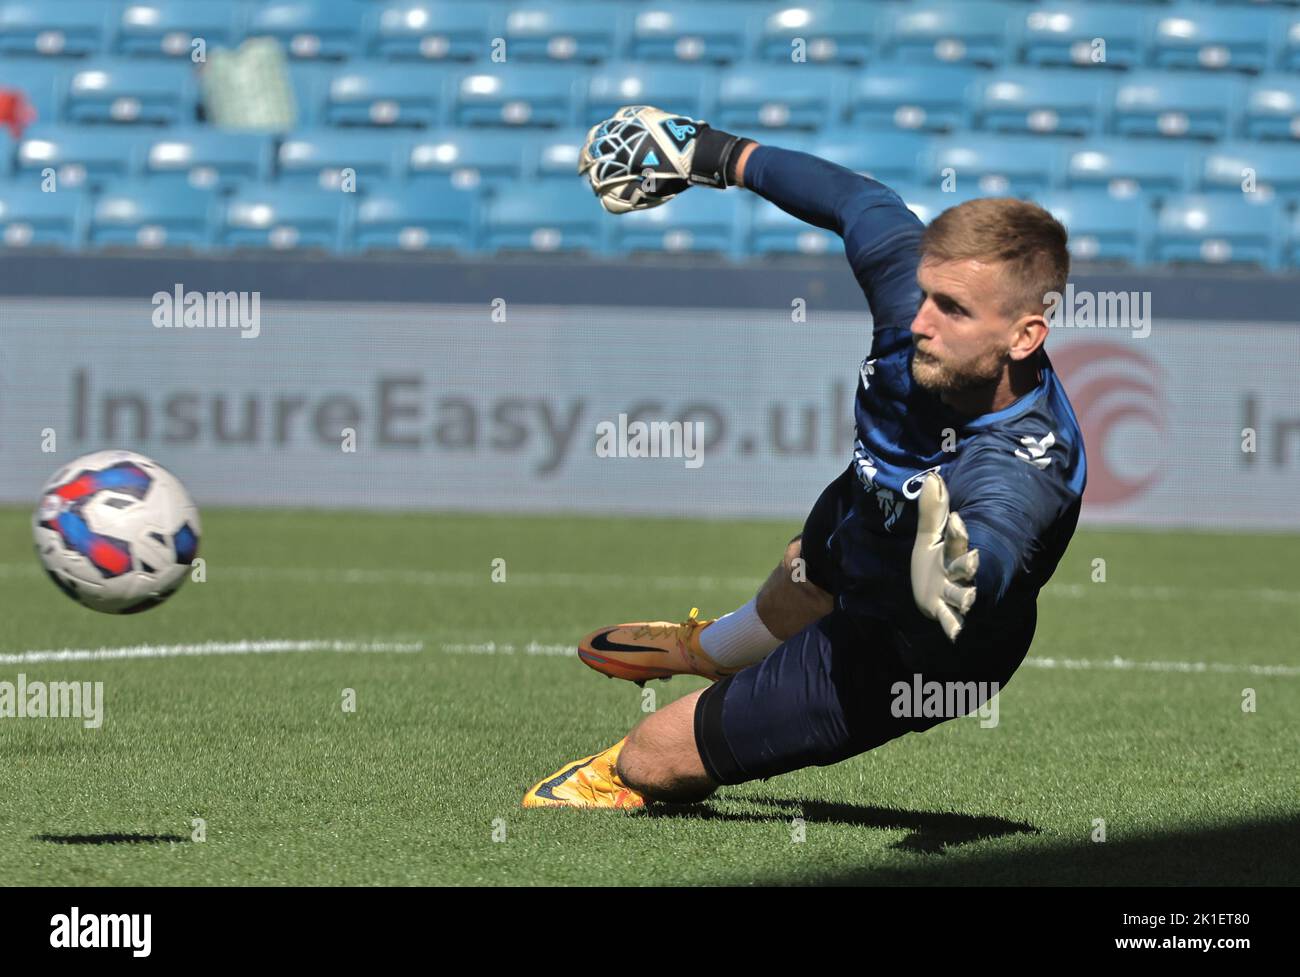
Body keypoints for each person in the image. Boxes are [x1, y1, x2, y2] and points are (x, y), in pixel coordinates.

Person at [524, 107, 1087, 809]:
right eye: (925, 295)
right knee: (803, 567)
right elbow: (857, 200)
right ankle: (708, 649)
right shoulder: (914, 297)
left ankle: (642, 759)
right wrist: (708, 151)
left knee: (651, 760)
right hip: (863, 510)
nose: (917, 322)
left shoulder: (1027, 459)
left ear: (1026, 336)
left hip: (917, 650)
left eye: (951, 310)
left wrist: (958, 569)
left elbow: (998, 539)